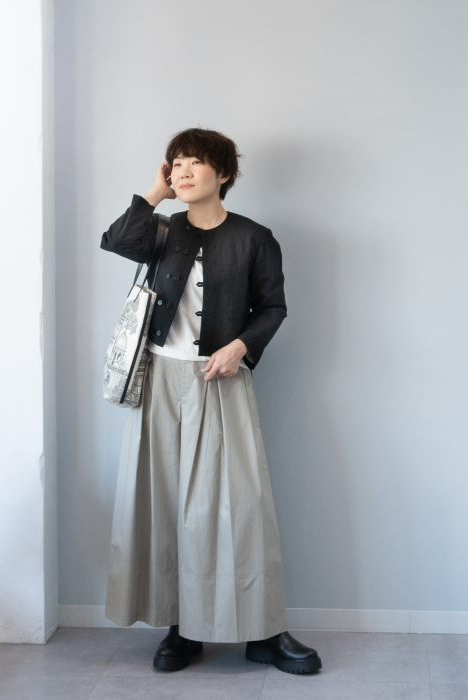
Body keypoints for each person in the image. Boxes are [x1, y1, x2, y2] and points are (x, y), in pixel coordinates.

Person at [100, 128, 322, 675]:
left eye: (194, 162)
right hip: (159, 382)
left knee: (238, 508)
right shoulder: (161, 230)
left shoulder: (254, 238)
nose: (182, 170)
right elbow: (116, 239)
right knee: (164, 503)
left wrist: (240, 347)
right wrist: (155, 192)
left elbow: (272, 307)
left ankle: (265, 631)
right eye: (175, 163)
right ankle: (181, 627)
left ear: (223, 174)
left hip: (219, 381)